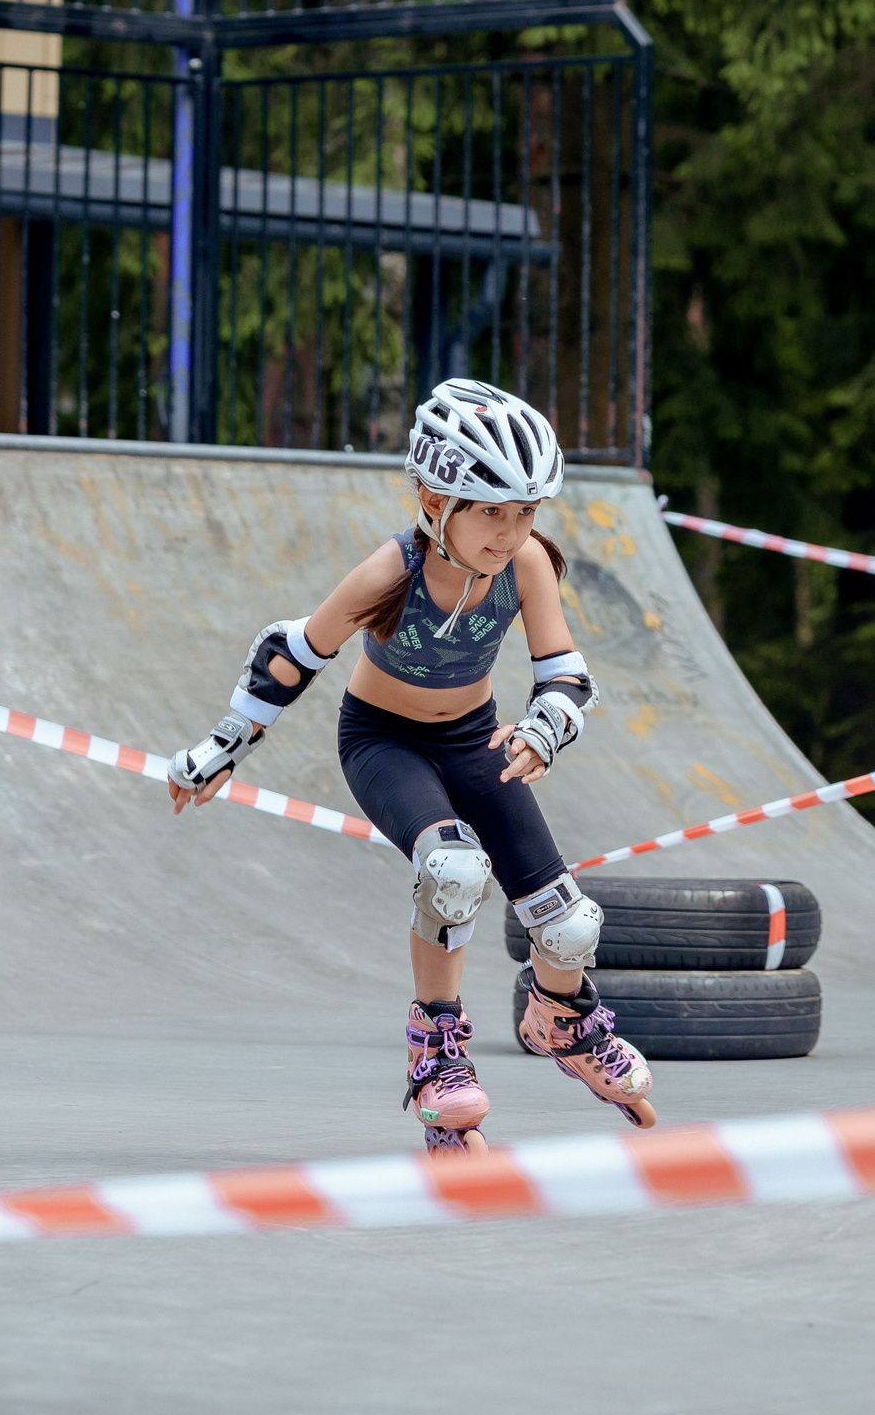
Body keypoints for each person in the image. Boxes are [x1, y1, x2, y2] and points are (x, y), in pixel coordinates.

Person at [165, 378, 656, 1152]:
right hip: (383, 743)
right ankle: (438, 1055)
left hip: (475, 741)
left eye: (525, 511)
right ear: (434, 500)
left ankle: (561, 1021)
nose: (509, 531)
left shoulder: (526, 564)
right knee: (453, 871)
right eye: (490, 510)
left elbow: (566, 670)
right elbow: (294, 654)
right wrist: (223, 746)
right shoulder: (390, 572)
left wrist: (545, 726)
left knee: (569, 923)